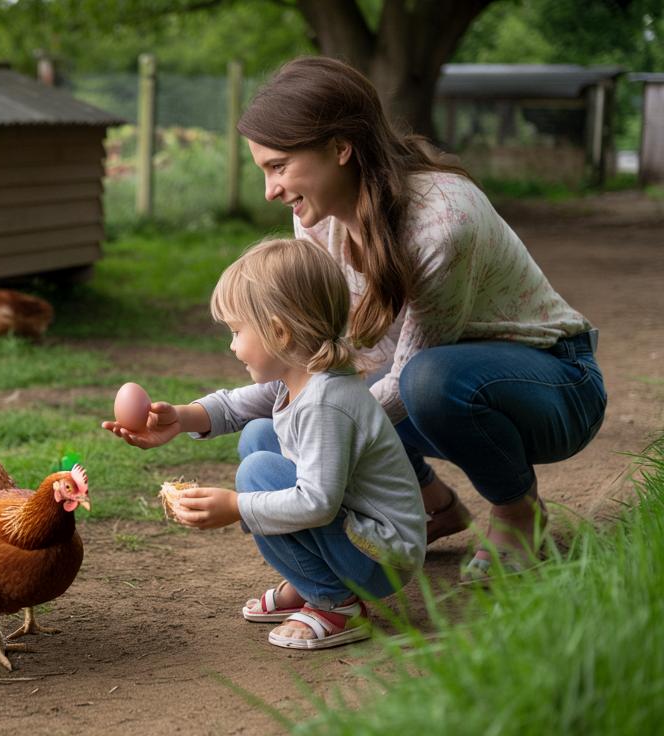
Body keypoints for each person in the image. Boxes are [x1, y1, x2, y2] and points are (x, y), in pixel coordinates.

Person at [235, 57, 606, 580]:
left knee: (425, 382)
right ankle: (432, 504)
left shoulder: (442, 220)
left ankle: (519, 511)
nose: (270, 190)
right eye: (263, 171)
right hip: (427, 389)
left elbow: (411, 375)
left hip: (553, 386)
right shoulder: (316, 222)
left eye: (279, 167)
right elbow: (337, 362)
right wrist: (212, 415)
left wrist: (322, 433)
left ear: (340, 148)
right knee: (298, 418)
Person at [102, 238, 426, 650]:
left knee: (256, 474)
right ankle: (309, 578)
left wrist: (237, 505)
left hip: (381, 557)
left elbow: (317, 504)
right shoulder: (299, 378)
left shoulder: (325, 402)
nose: (232, 345)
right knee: (258, 434)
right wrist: (180, 419)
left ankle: (335, 602)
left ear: (278, 331)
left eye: (237, 331)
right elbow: (235, 407)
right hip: (360, 536)